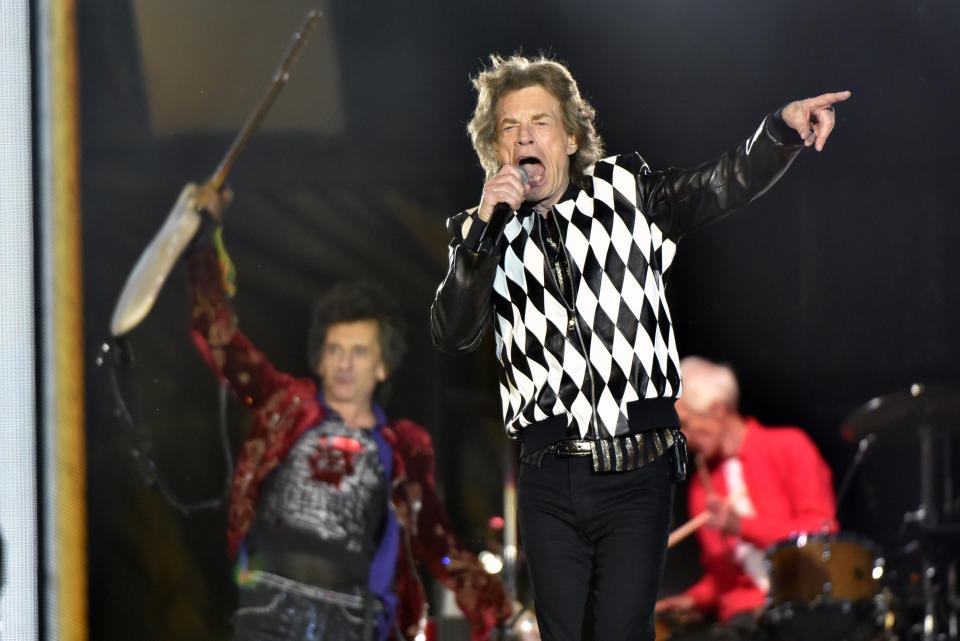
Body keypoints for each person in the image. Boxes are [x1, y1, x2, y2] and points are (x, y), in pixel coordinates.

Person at [430, 53, 849, 641]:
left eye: (541, 122)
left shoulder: (627, 193)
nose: (525, 136)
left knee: (623, 631)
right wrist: (479, 236)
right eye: (509, 127)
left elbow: (720, 185)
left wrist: (779, 130)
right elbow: (451, 333)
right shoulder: (483, 236)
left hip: (636, 468)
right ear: (495, 149)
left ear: (571, 136)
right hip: (549, 476)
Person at [184, 192, 512, 641]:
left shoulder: (398, 452)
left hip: (348, 619)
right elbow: (219, 339)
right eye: (335, 350)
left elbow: (440, 545)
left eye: (359, 352)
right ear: (319, 359)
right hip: (268, 606)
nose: (344, 363)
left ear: (382, 366)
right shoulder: (285, 407)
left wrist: (505, 613)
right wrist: (205, 241)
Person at [655, 356, 837, 639]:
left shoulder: (788, 446)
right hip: (745, 620)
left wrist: (741, 526)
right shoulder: (702, 489)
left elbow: (822, 535)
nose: (684, 439)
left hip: (805, 601)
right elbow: (722, 580)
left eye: (686, 424)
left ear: (717, 409)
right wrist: (695, 600)